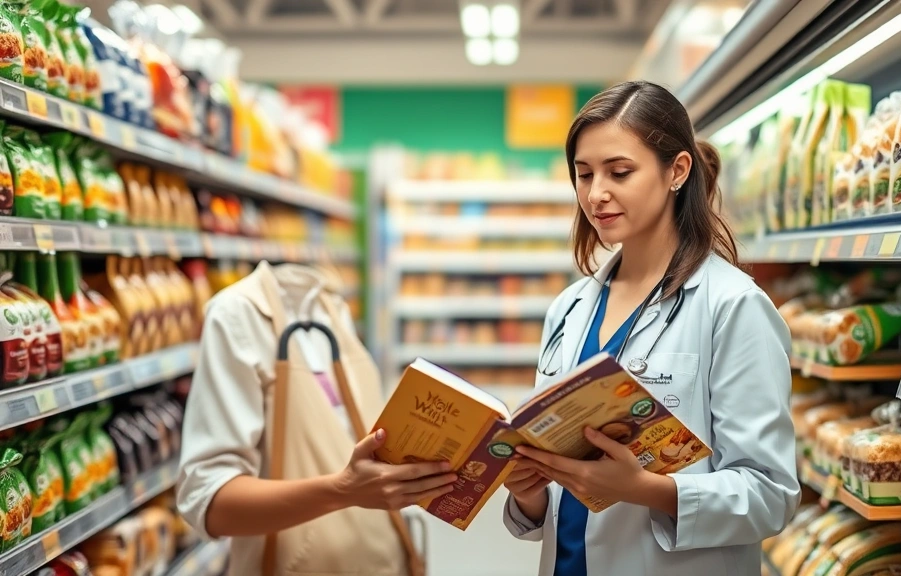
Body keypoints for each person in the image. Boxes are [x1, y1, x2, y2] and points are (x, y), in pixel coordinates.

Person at [501, 80, 799, 575]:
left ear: (677, 171)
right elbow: (559, 491)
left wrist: (643, 490)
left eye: (620, 172)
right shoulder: (569, 310)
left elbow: (770, 493)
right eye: (583, 174)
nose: (597, 194)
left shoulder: (732, 306)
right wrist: (530, 492)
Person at [176, 262, 456, 576]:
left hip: (385, 560)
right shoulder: (236, 316)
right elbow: (210, 502)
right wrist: (342, 490)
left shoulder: (332, 307)